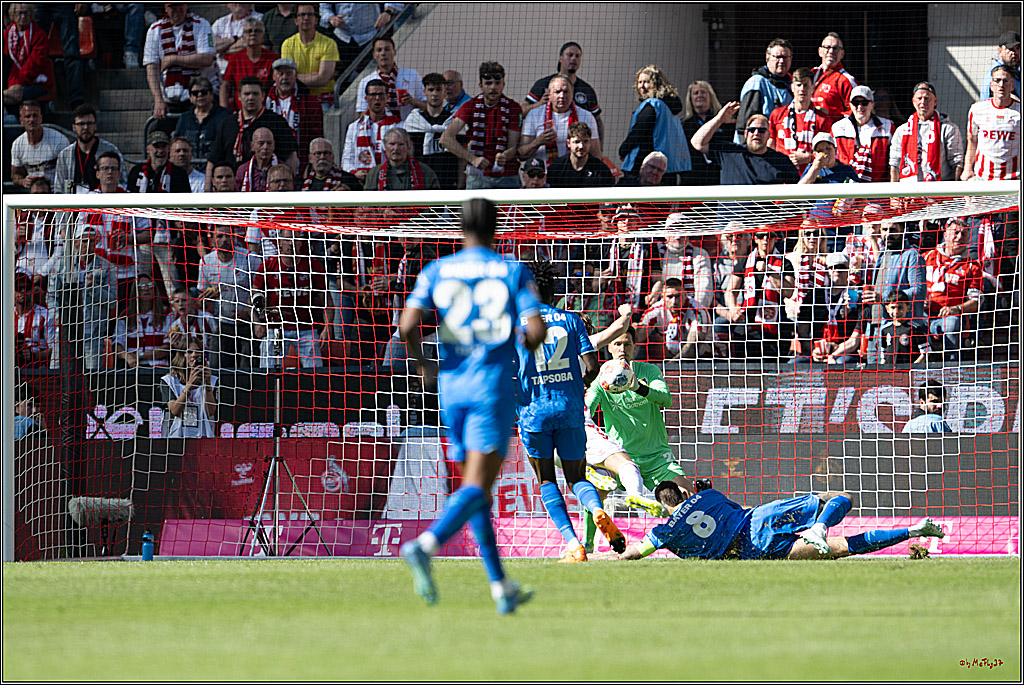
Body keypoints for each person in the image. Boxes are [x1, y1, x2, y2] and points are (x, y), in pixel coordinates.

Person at [398, 198, 545, 615]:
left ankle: (501, 587)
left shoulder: (437, 269)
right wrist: (525, 341)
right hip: (490, 386)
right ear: (496, 226)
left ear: (459, 228)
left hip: (451, 387)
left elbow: (407, 325)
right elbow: (534, 331)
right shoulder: (511, 270)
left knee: (475, 489)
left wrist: (424, 362)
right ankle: (426, 545)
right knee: (478, 486)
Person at [514, 260, 627, 563]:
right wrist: (576, 386)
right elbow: (591, 367)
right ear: (554, 291)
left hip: (534, 413)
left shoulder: (515, 326)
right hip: (571, 411)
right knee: (577, 476)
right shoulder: (572, 320)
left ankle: (573, 544)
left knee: (548, 480)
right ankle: (597, 509)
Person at [617, 481, 944, 561]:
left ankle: (912, 532)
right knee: (838, 499)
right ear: (684, 491)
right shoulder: (708, 495)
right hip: (754, 520)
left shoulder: (666, 530)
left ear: (662, 506)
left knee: (843, 549)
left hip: (751, 551)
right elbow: (734, 508)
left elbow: (635, 553)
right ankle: (819, 524)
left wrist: (609, 553)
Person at [585, 326, 695, 499]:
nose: (622, 349)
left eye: (627, 344)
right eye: (618, 344)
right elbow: (586, 409)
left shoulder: (649, 372)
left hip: (656, 458)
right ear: (609, 346)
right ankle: (589, 526)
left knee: (685, 495)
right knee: (593, 494)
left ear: (635, 347)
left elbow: (666, 399)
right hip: (620, 455)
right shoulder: (601, 378)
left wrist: (638, 388)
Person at [251, 228, 328, 368]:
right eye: (287, 239)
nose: (291, 243)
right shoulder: (268, 266)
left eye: (295, 239)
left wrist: (327, 327)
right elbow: (254, 295)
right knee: (268, 372)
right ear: (279, 243)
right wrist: (257, 322)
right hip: (275, 327)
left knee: (317, 373)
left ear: (301, 243)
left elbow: (327, 301)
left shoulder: (312, 265)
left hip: (305, 328)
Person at [441, 62, 523, 190]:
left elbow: (512, 146)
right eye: (488, 83)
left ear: (503, 84)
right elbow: (446, 138)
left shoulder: (513, 108)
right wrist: (472, 159)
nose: (493, 88)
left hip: (506, 175)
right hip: (477, 175)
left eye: (497, 83)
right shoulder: (470, 106)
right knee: (474, 211)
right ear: (481, 85)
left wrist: (505, 156)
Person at [205, 76, 299, 189]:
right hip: (234, 189)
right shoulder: (227, 124)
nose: (251, 98)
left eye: (255, 94)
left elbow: (291, 155)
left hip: (269, 189)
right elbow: (213, 160)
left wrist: (288, 183)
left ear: (263, 96)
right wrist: (207, 188)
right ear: (239, 96)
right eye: (246, 94)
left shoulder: (276, 121)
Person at [717, 229, 795, 359]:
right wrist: (732, 308)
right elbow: (731, 291)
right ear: (755, 239)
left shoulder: (785, 263)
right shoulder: (746, 261)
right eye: (761, 236)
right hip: (748, 323)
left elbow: (788, 292)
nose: (765, 239)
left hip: (775, 325)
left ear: (776, 239)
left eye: (770, 236)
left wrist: (769, 271)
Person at [691, 102, 800, 186]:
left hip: (764, 215)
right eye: (752, 130)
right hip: (729, 215)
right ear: (746, 134)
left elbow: (798, 187)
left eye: (761, 130)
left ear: (768, 135)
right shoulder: (729, 151)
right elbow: (697, 143)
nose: (756, 133)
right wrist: (719, 119)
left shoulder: (780, 161)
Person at [197, 223, 260, 369]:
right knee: (217, 368)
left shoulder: (248, 259)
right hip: (223, 324)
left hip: (248, 323)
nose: (224, 239)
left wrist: (249, 312)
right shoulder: (206, 262)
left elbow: (261, 291)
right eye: (220, 236)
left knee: (248, 370)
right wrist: (207, 298)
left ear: (234, 238)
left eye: (228, 236)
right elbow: (201, 302)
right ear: (212, 240)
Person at [864, 221, 927, 363]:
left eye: (892, 230)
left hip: (902, 332)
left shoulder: (912, 257)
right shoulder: (882, 256)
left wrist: (884, 297)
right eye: (885, 230)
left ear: (903, 230)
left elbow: (919, 291)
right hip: (876, 330)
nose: (888, 234)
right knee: (875, 381)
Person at [143, 3, 218, 119]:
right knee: (156, 134)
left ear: (186, 5)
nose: (177, 9)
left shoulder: (202, 24)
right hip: (168, 100)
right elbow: (151, 68)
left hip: (198, 98)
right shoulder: (154, 30)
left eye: (180, 5)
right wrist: (158, 100)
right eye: (173, 6)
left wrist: (173, 59)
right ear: (166, 8)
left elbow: (207, 58)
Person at [618, 64, 690, 184]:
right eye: (639, 82)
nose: (642, 86)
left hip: (649, 167)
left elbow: (638, 132)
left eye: (646, 82)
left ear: (656, 84)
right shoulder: (668, 108)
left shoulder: (652, 106)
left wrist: (623, 150)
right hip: (667, 167)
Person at [924, 218, 984, 359]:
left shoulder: (972, 266)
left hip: (950, 318)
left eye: (964, 234)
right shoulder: (926, 257)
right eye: (955, 233)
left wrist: (955, 309)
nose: (959, 237)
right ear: (945, 235)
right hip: (923, 314)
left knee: (953, 322)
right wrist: (919, 301)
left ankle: (951, 366)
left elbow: (976, 302)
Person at [523, 42, 604, 141]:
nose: (574, 59)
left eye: (577, 56)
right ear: (560, 58)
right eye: (570, 55)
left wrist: (600, 149)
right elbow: (521, 112)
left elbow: (597, 120)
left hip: (577, 150)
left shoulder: (587, 90)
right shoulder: (544, 84)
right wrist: (539, 104)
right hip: (546, 148)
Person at [519, 75, 602, 166]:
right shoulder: (534, 115)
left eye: (566, 92)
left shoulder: (586, 116)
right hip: (543, 175)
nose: (562, 96)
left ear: (572, 93)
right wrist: (538, 141)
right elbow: (521, 155)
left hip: (575, 175)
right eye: (557, 92)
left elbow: (596, 154)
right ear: (549, 94)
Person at [889, 82, 964, 183]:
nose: (923, 102)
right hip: (909, 193)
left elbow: (957, 163)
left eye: (927, 98)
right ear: (913, 101)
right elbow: (894, 164)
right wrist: (894, 195)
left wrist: (956, 191)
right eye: (919, 98)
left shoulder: (949, 129)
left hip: (940, 193)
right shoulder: (902, 131)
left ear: (935, 101)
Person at [768, 67, 833, 176]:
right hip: (782, 175)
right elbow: (770, 147)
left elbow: (829, 154)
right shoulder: (777, 114)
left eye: (806, 85)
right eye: (798, 85)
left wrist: (809, 158)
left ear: (813, 87)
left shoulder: (823, 118)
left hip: (813, 177)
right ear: (792, 87)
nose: (802, 89)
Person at [265, 57, 324, 172]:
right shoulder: (263, 100)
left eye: (289, 73)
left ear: (296, 76)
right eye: (280, 74)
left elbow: (316, 136)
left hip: (300, 160)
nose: (284, 78)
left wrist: (310, 163)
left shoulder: (310, 102)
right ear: (273, 76)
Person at [963, 65, 1021, 182]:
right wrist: (967, 169)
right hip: (983, 179)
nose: (1001, 85)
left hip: (1013, 180)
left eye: (1005, 81)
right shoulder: (977, 109)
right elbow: (972, 141)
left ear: (1012, 85)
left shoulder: (1019, 111)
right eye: (997, 81)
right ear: (991, 85)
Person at [403, 72, 460, 190]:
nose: (435, 94)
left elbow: (461, 155)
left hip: (448, 182)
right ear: (424, 92)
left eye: (439, 90)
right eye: (431, 90)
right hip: (421, 181)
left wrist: (460, 184)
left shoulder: (454, 121)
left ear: (445, 92)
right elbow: (408, 154)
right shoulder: (413, 121)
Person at [54, 104, 127, 194]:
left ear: (95, 126)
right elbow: (59, 190)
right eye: (81, 124)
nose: (85, 127)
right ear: (74, 127)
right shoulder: (64, 155)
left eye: (89, 123)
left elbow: (122, 182)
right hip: (73, 205)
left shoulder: (110, 150)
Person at [320, 3, 404, 78]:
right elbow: (324, 8)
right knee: (342, 78)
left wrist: (388, 12)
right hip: (342, 38)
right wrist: (331, 18)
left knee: (375, 75)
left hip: (370, 37)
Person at [734, 38, 793, 144]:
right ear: (767, 58)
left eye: (785, 57)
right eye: (778, 57)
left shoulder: (793, 85)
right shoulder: (757, 83)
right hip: (758, 149)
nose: (782, 61)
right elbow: (745, 123)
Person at [830, 85, 894, 183]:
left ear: (872, 104)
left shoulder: (887, 126)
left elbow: (894, 160)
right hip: (845, 186)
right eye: (856, 103)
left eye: (864, 103)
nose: (860, 107)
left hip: (877, 188)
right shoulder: (837, 127)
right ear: (850, 105)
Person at [636, 277, 710, 360]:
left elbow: (692, 347)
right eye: (670, 297)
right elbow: (638, 337)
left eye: (678, 296)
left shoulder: (697, 311)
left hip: (705, 358)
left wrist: (670, 366)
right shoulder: (655, 311)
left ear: (685, 295)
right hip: (670, 357)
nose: (674, 301)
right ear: (663, 297)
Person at [281, 3, 338, 109]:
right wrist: (316, 75)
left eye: (310, 14)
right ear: (296, 20)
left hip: (323, 100)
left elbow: (323, 79)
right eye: (302, 15)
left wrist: (296, 78)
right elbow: (287, 78)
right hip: (297, 98)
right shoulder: (287, 44)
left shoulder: (329, 43)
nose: (306, 18)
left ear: (316, 20)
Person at [342, 79, 402, 180]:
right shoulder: (354, 127)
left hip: (389, 180)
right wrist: (354, 173)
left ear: (387, 98)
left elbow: (404, 156)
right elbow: (347, 158)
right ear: (366, 98)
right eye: (373, 95)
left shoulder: (399, 125)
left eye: (381, 95)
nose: (377, 98)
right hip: (361, 181)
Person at [354, 35, 424, 120]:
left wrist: (413, 101)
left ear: (394, 52)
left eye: (387, 49)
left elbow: (428, 107)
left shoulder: (412, 75)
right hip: (380, 129)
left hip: (407, 127)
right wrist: (376, 103)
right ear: (374, 55)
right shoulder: (366, 81)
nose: (383, 53)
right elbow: (361, 118)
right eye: (379, 50)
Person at [812, 252, 864, 365]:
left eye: (841, 267)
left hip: (845, 352)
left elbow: (855, 340)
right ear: (828, 271)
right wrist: (814, 350)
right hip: (818, 349)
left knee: (842, 362)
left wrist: (833, 355)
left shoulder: (857, 297)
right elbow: (803, 331)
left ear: (848, 271)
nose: (837, 271)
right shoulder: (815, 296)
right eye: (833, 267)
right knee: (797, 362)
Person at [3, 4, 56, 112]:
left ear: (31, 15)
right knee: (10, 96)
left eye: (26, 13)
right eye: (19, 13)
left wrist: (18, 84)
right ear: (13, 15)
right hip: (13, 82)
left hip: (37, 81)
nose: (23, 17)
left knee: (13, 97)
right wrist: (14, 84)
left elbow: (35, 63)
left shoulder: (39, 35)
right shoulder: (7, 34)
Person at [161, 339, 218, 438]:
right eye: (189, 352)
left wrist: (208, 384)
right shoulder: (169, 381)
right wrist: (190, 384)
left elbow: (210, 412)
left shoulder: (213, 381)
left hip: (204, 436)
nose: (194, 355)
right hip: (177, 437)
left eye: (198, 351)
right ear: (182, 355)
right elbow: (175, 410)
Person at [660, 214, 714, 318]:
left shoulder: (699, 254)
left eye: (682, 229)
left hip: (691, 313)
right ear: (665, 234)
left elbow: (704, 290)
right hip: (661, 314)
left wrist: (694, 314)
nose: (678, 235)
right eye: (674, 229)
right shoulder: (657, 253)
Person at [112, 274, 171, 369]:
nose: (146, 289)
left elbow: (168, 347)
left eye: (150, 285)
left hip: (159, 367)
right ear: (135, 291)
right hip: (132, 367)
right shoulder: (125, 315)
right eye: (142, 286)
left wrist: (140, 355)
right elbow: (117, 345)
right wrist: (128, 357)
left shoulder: (167, 314)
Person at [219, 16, 277, 110]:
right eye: (249, 31)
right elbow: (225, 86)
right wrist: (223, 110)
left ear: (263, 36)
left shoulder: (273, 58)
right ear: (243, 37)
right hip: (240, 112)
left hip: (267, 111)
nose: (253, 34)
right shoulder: (235, 58)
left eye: (257, 31)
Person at [681, 80, 732, 185]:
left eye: (703, 92)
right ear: (690, 99)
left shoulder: (723, 121)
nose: (700, 95)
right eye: (696, 93)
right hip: (692, 178)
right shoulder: (684, 125)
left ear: (711, 96)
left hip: (718, 175)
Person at [10, 100, 70, 189]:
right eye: (28, 116)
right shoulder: (17, 144)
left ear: (41, 118)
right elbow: (15, 175)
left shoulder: (59, 140)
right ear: (21, 120)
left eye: (35, 116)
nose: (32, 120)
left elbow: (70, 172)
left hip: (56, 191)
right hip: (33, 192)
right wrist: (22, 181)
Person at [173, 76, 231, 162]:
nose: (199, 95)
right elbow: (176, 143)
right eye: (195, 93)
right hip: (189, 170)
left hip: (216, 169)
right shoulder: (184, 118)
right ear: (190, 97)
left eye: (204, 92)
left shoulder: (225, 115)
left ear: (211, 94)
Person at [362, 127, 440, 191]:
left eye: (401, 144)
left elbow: (435, 205)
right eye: (392, 144)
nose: (396, 148)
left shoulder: (425, 173)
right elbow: (368, 205)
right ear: (385, 147)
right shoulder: (374, 174)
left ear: (408, 147)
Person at [544, 121, 614, 188]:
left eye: (585, 141)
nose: (581, 146)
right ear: (568, 143)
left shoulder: (601, 170)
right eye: (577, 142)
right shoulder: (556, 168)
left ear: (590, 142)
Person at [810, 32, 858, 121]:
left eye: (835, 48)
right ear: (820, 51)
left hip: (832, 132)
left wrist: (832, 119)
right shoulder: (811, 74)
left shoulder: (846, 80)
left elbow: (856, 112)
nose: (831, 51)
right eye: (827, 47)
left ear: (842, 54)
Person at [876, 291, 930, 365]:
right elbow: (884, 356)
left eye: (900, 307)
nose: (896, 311)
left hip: (907, 373)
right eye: (892, 307)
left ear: (908, 308)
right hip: (890, 373)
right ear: (887, 309)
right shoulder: (885, 330)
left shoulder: (913, 328)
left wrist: (913, 367)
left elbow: (926, 352)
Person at [14, 272, 55, 368]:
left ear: (32, 289)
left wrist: (33, 356)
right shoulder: (6, 316)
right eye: (18, 288)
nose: (23, 291)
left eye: (27, 287)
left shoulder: (45, 315)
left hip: (37, 369)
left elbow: (55, 349)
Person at [212, 3, 262, 77]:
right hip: (221, 72)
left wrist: (223, 48)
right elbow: (212, 46)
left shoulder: (259, 18)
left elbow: (247, 43)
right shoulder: (220, 22)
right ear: (228, 4)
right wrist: (234, 39)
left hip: (246, 71)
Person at [235, 127, 279, 192]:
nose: (265, 147)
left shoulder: (283, 169)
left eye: (269, 143)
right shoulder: (242, 170)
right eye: (261, 143)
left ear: (274, 145)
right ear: (252, 146)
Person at [979, 30, 1020, 101]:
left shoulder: (1013, 67)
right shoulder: (997, 74)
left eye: (1017, 48)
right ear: (1000, 51)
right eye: (1010, 49)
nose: (1015, 52)